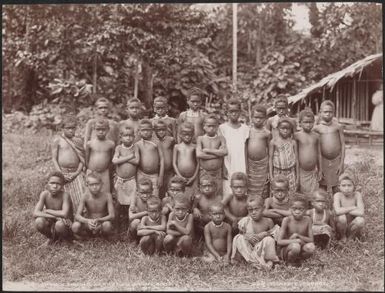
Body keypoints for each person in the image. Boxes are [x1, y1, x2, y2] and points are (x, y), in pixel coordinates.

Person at [231, 197, 280, 269]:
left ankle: (261, 262)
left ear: (263, 208)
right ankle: (254, 262)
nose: (253, 212)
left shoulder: (268, 221)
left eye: (256, 209)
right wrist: (247, 237)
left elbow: (274, 237)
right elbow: (241, 234)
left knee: (269, 240)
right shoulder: (245, 221)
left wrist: (264, 234)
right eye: (250, 210)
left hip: (261, 249)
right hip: (249, 250)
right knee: (238, 238)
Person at [51, 115, 85, 215]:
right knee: (63, 199)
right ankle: (65, 223)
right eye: (68, 128)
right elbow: (54, 158)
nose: (71, 130)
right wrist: (61, 174)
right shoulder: (57, 141)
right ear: (62, 128)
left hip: (76, 174)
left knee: (80, 199)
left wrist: (76, 173)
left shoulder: (78, 141)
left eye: (73, 128)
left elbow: (82, 160)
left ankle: (79, 222)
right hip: (62, 174)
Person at [218, 98, 250, 198]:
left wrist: (247, 166)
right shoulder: (222, 128)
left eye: (236, 111)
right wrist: (223, 167)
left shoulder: (245, 128)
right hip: (228, 163)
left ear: (240, 112)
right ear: (226, 113)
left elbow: (246, 149)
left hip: (241, 163)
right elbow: (221, 149)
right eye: (231, 111)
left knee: (241, 187)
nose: (234, 114)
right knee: (228, 188)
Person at [313, 100, 345, 194]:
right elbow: (314, 147)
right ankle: (322, 207)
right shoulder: (317, 128)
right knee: (322, 185)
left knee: (336, 187)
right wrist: (317, 166)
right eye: (325, 112)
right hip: (322, 160)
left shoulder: (338, 127)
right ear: (320, 112)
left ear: (333, 113)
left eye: (330, 112)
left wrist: (341, 163)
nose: (328, 114)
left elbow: (343, 145)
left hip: (336, 161)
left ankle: (336, 205)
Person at [112, 126, 139, 234]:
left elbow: (137, 161)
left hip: (132, 180)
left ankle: (130, 229)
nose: (128, 138)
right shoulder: (118, 148)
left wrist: (122, 159)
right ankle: (117, 228)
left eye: (130, 136)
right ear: (121, 137)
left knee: (131, 205)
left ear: (134, 137)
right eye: (126, 136)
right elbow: (114, 161)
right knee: (118, 204)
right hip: (120, 180)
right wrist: (129, 157)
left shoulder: (135, 147)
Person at [72, 172, 115, 239]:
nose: (94, 187)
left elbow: (112, 216)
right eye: (92, 185)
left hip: (101, 223)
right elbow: (77, 215)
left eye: (97, 184)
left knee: (107, 225)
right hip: (88, 223)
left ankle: (102, 236)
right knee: (75, 226)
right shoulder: (85, 196)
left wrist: (99, 220)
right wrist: (88, 221)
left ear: (101, 184)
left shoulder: (107, 196)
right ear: (87, 185)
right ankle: (87, 236)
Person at [33, 172, 72, 245]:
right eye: (52, 183)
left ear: (63, 185)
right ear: (47, 183)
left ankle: (66, 239)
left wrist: (47, 211)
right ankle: (51, 238)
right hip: (52, 222)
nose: (54, 186)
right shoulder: (44, 194)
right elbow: (35, 213)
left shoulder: (65, 195)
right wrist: (55, 216)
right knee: (38, 221)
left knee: (59, 225)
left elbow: (64, 214)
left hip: (65, 224)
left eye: (58, 184)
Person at [277, 195, 315, 266]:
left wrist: (299, 236)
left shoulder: (308, 220)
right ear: (290, 209)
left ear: (306, 210)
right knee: (295, 246)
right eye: (294, 209)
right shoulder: (287, 220)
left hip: (301, 245)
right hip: (287, 249)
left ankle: (299, 260)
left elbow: (311, 240)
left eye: (301, 209)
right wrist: (295, 241)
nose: (297, 212)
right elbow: (279, 242)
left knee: (311, 247)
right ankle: (290, 262)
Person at [196, 115, 228, 196]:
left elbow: (225, 152)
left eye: (214, 126)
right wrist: (217, 154)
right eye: (209, 126)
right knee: (204, 193)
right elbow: (199, 154)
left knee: (218, 192)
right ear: (204, 127)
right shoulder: (201, 139)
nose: (211, 128)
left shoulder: (221, 138)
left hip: (217, 172)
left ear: (217, 127)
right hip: (204, 172)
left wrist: (208, 150)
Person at [294, 109, 322, 198]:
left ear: (314, 122)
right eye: (305, 122)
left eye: (310, 122)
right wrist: (296, 173)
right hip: (301, 171)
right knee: (302, 195)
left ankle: (311, 210)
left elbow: (319, 154)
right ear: (300, 123)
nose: (308, 125)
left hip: (313, 171)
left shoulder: (316, 136)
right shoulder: (297, 136)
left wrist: (320, 170)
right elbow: (295, 155)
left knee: (313, 195)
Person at [269, 117, 299, 196]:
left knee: (291, 193)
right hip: (277, 172)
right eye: (283, 128)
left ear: (291, 130)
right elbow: (270, 159)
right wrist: (271, 176)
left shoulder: (293, 142)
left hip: (290, 172)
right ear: (278, 128)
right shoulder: (273, 142)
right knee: (278, 193)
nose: (285, 131)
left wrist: (297, 177)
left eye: (288, 129)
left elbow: (297, 160)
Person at [246, 105, 272, 198]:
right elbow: (245, 149)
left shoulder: (267, 133)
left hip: (263, 165)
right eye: (256, 117)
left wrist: (269, 169)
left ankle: (262, 207)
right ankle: (252, 207)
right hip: (251, 164)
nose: (258, 120)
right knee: (250, 188)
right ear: (251, 117)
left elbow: (270, 152)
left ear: (265, 118)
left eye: (261, 118)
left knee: (263, 188)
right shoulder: (248, 131)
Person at [135, 119, 164, 198]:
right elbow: (136, 161)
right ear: (139, 131)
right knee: (141, 195)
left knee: (154, 196)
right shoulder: (138, 144)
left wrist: (161, 176)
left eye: (148, 130)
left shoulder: (156, 142)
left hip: (154, 175)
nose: (146, 132)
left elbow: (162, 159)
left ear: (152, 131)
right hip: (141, 173)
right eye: (143, 130)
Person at [85, 118, 115, 194]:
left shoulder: (111, 144)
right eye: (98, 129)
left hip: (104, 173)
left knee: (105, 193)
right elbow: (86, 159)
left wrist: (107, 170)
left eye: (103, 129)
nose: (101, 132)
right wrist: (88, 170)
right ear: (94, 129)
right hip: (92, 172)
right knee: (90, 193)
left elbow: (112, 159)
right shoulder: (90, 143)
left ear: (108, 129)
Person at [333, 173, 365, 242]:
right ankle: (342, 236)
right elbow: (337, 211)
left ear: (354, 186)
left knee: (360, 220)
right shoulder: (338, 195)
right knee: (342, 217)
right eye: (343, 185)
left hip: (352, 224)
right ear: (339, 186)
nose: (346, 188)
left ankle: (351, 237)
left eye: (349, 185)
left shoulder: (357, 195)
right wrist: (353, 207)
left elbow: (361, 213)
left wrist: (343, 210)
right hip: (340, 225)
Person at [173, 122, 199, 201]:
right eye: (185, 134)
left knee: (192, 197)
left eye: (189, 134)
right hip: (179, 177)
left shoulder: (194, 147)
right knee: (179, 197)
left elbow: (198, 163)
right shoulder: (177, 147)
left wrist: (193, 177)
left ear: (193, 135)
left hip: (192, 178)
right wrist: (180, 176)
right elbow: (174, 163)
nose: (187, 136)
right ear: (180, 134)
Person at [154, 119, 175, 199]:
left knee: (171, 190)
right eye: (158, 130)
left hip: (169, 171)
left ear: (166, 130)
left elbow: (174, 153)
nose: (161, 132)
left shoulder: (171, 140)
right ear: (155, 131)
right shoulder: (154, 141)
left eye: (163, 130)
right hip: (158, 172)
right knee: (160, 192)